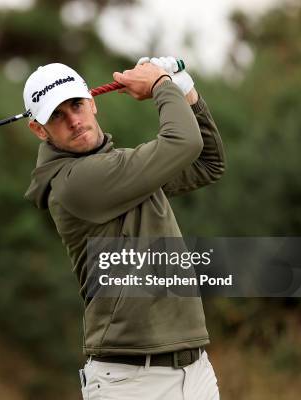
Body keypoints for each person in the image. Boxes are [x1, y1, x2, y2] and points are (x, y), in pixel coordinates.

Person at [23, 58, 226, 400]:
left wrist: (186, 91)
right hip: (131, 381)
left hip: (195, 371)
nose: (73, 120)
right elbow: (183, 143)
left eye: (76, 105)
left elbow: (208, 162)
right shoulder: (74, 183)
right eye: (57, 115)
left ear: (92, 102)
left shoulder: (120, 168)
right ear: (39, 130)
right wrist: (161, 84)